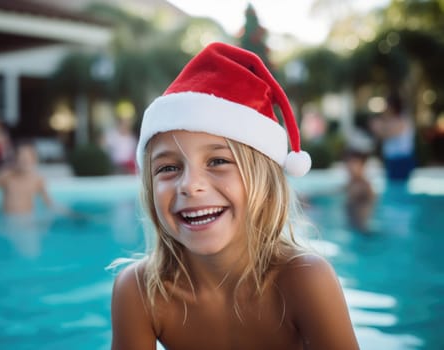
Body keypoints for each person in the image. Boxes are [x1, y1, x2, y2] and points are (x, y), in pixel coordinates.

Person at [111, 42, 359, 349]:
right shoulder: (140, 292)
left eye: (218, 162)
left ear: (265, 182)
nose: (190, 185)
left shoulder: (305, 279)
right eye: (168, 168)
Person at [0, 141, 53, 215]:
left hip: (26, 217)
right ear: (15, 159)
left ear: (34, 160)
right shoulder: (8, 176)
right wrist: (3, 173)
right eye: (21, 157)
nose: (24, 160)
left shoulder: (37, 180)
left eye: (28, 158)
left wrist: (61, 212)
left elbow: (48, 202)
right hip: (7, 217)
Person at [371, 93, 416, 181]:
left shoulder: (403, 119)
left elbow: (388, 134)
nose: (385, 109)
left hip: (401, 160)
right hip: (392, 159)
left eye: (387, 105)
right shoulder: (390, 120)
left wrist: (379, 128)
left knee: (400, 186)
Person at [344, 149, 375, 233]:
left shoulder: (365, 187)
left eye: (354, 163)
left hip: (363, 230)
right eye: (348, 162)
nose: (350, 166)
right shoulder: (349, 184)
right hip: (352, 227)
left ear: (362, 166)